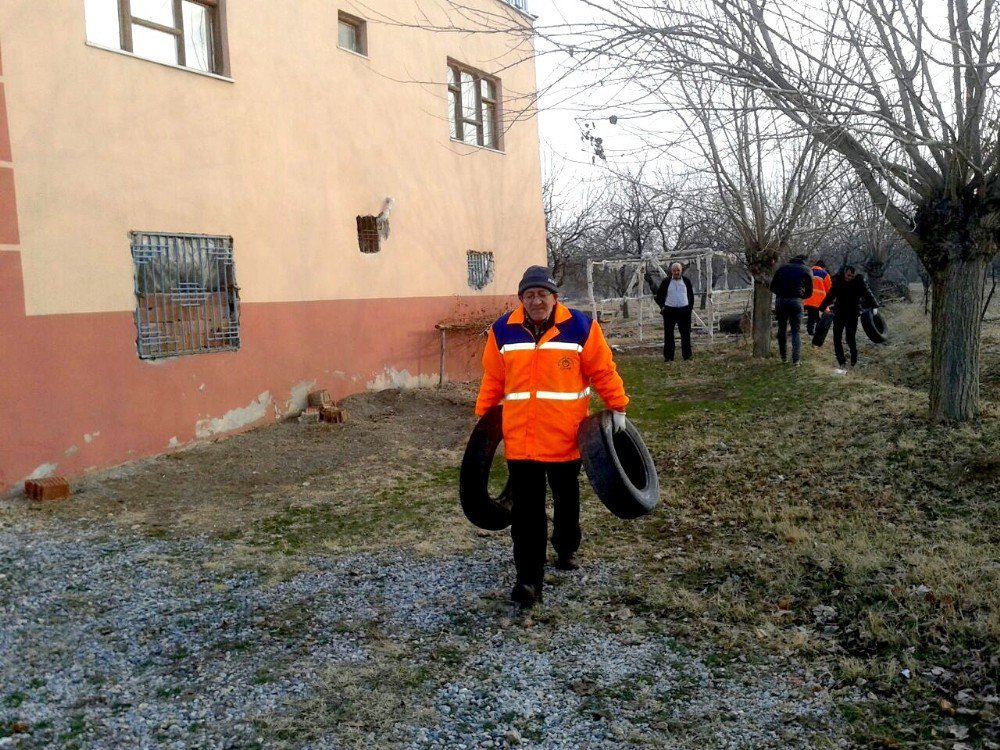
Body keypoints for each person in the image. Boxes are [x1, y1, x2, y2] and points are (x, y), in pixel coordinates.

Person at [475, 265, 630, 608]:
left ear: (554, 297)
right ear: (521, 299)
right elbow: (493, 379)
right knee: (527, 513)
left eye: (542, 294)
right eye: (529, 295)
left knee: (566, 497)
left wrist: (617, 405)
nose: (536, 301)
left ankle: (566, 546)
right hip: (522, 441)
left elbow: (602, 369)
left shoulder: (579, 327)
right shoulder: (502, 331)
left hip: (565, 437)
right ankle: (528, 581)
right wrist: (483, 426)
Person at [819, 265, 879, 367]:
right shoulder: (838, 281)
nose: (849, 278)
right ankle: (841, 361)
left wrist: (875, 306)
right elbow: (830, 296)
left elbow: (867, 293)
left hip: (852, 313)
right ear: (845, 273)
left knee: (850, 338)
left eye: (852, 276)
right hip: (839, 313)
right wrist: (821, 309)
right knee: (837, 338)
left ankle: (854, 357)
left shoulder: (859, 281)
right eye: (848, 275)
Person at [769, 254, 813, 365]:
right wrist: (801, 296)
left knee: (782, 329)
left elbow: (772, 287)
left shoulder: (782, 268)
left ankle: (783, 357)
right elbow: (809, 292)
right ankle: (796, 360)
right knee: (795, 331)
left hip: (781, 301)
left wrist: (781, 294)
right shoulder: (806, 270)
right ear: (804, 261)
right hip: (796, 302)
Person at [653, 262, 695, 362]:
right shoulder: (666, 282)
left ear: (681, 271)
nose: (676, 272)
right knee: (668, 335)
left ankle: (687, 356)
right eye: (674, 270)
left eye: (678, 270)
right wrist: (662, 307)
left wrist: (689, 309)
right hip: (669, 311)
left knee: (685, 334)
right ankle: (668, 357)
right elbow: (658, 296)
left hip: (684, 311)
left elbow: (691, 296)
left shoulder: (686, 281)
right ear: (671, 271)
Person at [804, 259, 833, 336]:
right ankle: (818, 331)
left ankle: (810, 331)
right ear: (823, 267)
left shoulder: (808, 271)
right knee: (818, 317)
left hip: (808, 299)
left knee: (811, 315)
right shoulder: (825, 274)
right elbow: (829, 288)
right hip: (820, 300)